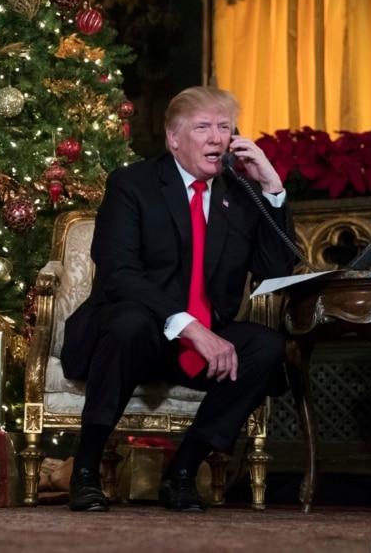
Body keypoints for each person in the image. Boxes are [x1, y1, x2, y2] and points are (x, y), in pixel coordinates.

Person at [60, 86, 295, 513]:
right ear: (173, 137)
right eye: (203, 127)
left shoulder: (241, 195)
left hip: (198, 346)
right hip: (130, 337)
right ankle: (86, 470)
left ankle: (183, 472)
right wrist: (189, 326)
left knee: (265, 346)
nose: (216, 138)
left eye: (224, 128)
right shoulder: (132, 184)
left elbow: (275, 272)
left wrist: (272, 187)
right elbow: (118, 273)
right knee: (130, 320)